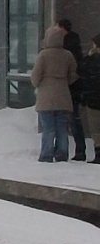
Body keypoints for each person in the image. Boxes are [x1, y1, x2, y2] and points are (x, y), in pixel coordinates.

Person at [31, 25, 79, 162]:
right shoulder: (67, 55)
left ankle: (46, 154)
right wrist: (63, 82)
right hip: (63, 94)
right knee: (62, 128)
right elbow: (73, 74)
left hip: (46, 96)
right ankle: (62, 154)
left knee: (48, 128)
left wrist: (39, 83)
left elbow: (35, 76)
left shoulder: (44, 55)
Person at [57, 18, 87, 160]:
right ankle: (80, 150)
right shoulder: (75, 45)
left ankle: (69, 150)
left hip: (68, 89)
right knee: (74, 119)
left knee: (67, 120)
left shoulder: (65, 48)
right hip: (75, 89)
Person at [78, 33, 100, 163]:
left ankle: (98, 154)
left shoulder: (90, 61)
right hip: (93, 97)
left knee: (96, 130)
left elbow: (82, 71)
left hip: (93, 100)